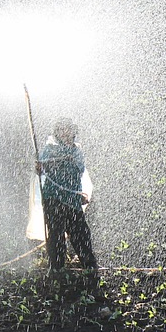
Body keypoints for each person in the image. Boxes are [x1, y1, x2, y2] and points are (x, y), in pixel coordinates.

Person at [35, 118, 97, 275]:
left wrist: (81, 195)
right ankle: (56, 269)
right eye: (61, 130)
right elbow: (41, 167)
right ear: (57, 133)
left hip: (72, 200)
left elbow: (80, 170)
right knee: (56, 234)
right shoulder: (50, 149)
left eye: (68, 129)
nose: (65, 133)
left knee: (80, 234)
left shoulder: (76, 151)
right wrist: (41, 166)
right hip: (53, 198)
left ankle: (90, 268)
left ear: (73, 132)